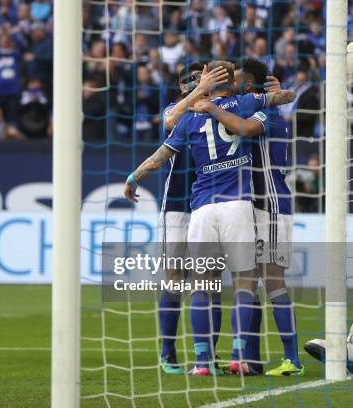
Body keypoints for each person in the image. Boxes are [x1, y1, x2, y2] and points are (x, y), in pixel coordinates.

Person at [125, 60, 294, 376]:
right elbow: (284, 99)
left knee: (203, 285)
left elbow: (162, 153)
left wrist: (133, 177)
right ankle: (237, 356)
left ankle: (203, 361)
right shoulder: (241, 103)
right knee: (244, 282)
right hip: (232, 205)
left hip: (201, 206)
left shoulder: (189, 119)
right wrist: (278, 93)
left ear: (210, 79)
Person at [193, 58, 303, 376]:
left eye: (239, 81)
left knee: (272, 281)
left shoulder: (261, 112)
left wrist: (210, 107)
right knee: (249, 281)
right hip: (249, 205)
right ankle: (249, 358)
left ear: (250, 85)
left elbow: (242, 128)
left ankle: (292, 359)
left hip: (270, 204)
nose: (235, 86)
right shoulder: (243, 106)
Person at [156, 62, 229, 375]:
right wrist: (198, 92)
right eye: (198, 80)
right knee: (175, 277)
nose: (204, 83)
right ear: (185, 85)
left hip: (211, 203)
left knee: (211, 281)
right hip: (177, 204)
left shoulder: (217, 108)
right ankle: (167, 352)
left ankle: (207, 356)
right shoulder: (178, 108)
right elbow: (169, 122)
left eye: (206, 79)